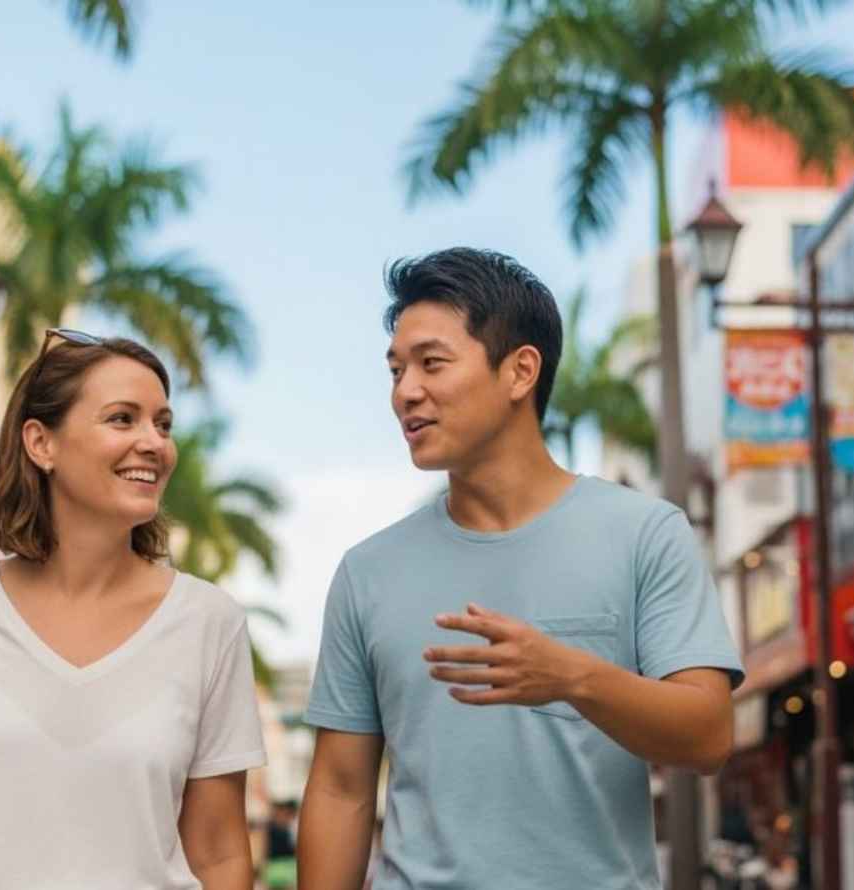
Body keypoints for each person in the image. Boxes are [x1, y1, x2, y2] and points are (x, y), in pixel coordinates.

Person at [297, 248, 744, 888]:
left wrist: (572, 676)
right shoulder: (368, 571)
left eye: (432, 363)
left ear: (519, 371)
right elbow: (341, 789)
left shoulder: (645, 533)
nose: (405, 392)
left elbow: (708, 736)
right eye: (396, 370)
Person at [0, 331, 266, 889]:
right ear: (41, 443)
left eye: (163, 423)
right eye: (122, 418)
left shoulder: (210, 621)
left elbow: (219, 853)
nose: (154, 442)